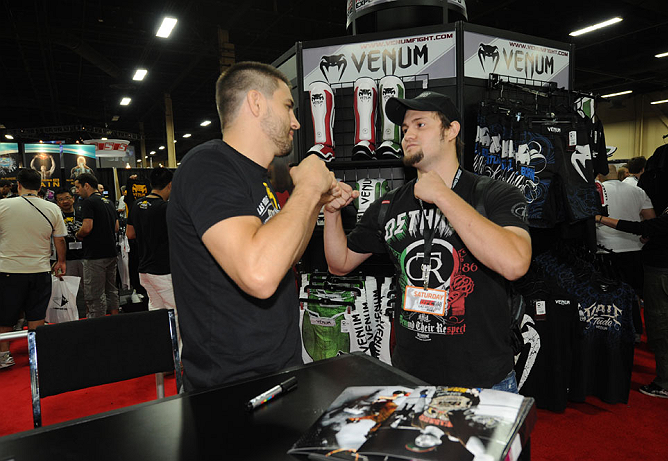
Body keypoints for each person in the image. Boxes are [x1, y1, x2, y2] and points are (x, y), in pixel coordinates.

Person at [323, 91, 532, 390]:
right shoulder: (388, 205)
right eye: (405, 129)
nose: (407, 135)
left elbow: (515, 263)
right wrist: (332, 213)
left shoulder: (494, 193)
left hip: (483, 380)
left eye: (420, 125)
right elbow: (339, 264)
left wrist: (443, 196)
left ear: (451, 130)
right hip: (410, 377)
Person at [167, 61, 342, 391]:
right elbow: (259, 276)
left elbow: (283, 258)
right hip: (230, 385)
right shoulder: (208, 165)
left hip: (278, 369)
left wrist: (316, 200)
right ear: (256, 102)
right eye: (288, 106)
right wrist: (306, 188)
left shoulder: (256, 177)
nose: (296, 121)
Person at [595, 166, 668, 400]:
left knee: (663, 327)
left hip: (666, 271)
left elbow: (645, 226)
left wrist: (601, 218)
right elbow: (658, 226)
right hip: (666, 268)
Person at [0, 169, 67, 369]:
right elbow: (60, 239)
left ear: (18, 185)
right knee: (37, 315)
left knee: (5, 315)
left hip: (8, 269)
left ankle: (4, 355)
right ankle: (36, 353)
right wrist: (61, 261)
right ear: (40, 187)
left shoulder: (3, 205)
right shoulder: (52, 208)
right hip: (40, 269)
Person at [595, 166, 655, 338]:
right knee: (633, 292)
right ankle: (635, 331)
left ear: (599, 174)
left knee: (607, 293)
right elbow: (651, 219)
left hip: (604, 248)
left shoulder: (595, 191)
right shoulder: (637, 191)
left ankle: (611, 330)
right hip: (634, 248)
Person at [126, 168, 178, 323]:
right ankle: (177, 348)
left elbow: (130, 234)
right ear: (170, 185)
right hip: (163, 269)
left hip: (144, 269)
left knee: (156, 310)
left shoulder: (136, 204)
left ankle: (161, 345)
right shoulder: (165, 208)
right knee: (175, 312)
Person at [74, 173, 119, 318]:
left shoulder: (88, 202)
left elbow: (87, 228)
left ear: (86, 185)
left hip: (95, 255)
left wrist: (77, 234)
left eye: (77, 187)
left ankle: (97, 328)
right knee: (111, 290)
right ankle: (115, 320)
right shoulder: (109, 202)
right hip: (111, 252)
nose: (76, 191)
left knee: (95, 294)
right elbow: (116, 227)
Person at [54, 187, 87, 318]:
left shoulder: (82, 213)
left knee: (88, 290)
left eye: (67, 198)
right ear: (57, 203)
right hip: (66, 259)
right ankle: (70, 317)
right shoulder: (56, 216)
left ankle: (89, 315)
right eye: (61, 200)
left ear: (73, 199)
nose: (65, 202)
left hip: (85, 256)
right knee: (68, 292)